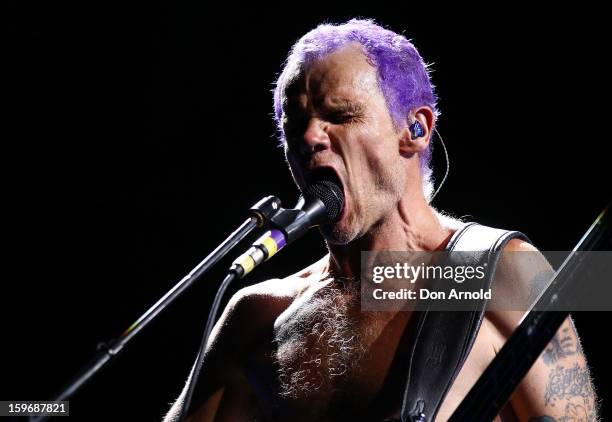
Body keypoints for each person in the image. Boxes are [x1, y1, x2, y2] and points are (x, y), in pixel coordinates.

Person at [165, 19, 597, 421]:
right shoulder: (258, 315)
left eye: (341, 116)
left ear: (415, 129)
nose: (311, 138)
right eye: (295, 124)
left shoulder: (504, 273)